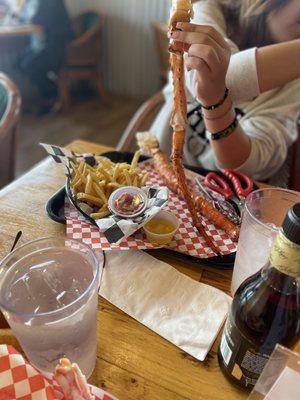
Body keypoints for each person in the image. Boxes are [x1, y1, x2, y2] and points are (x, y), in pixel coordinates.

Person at [151, 0, 300, 185]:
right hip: (154, 169)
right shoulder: (207, 10)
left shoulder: (294, 84)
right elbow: (222, 75)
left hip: (221, 198)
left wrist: (216, 104)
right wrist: (215, 97)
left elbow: (247, 164)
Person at [18, 0, 74, 114]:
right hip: (39, 45)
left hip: (56, 48)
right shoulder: (31, 2)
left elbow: (37, 20)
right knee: (18, 63)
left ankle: (51, 96)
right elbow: (25, 18)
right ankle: (49, 93)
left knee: (30, 65)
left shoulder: (50, 2)